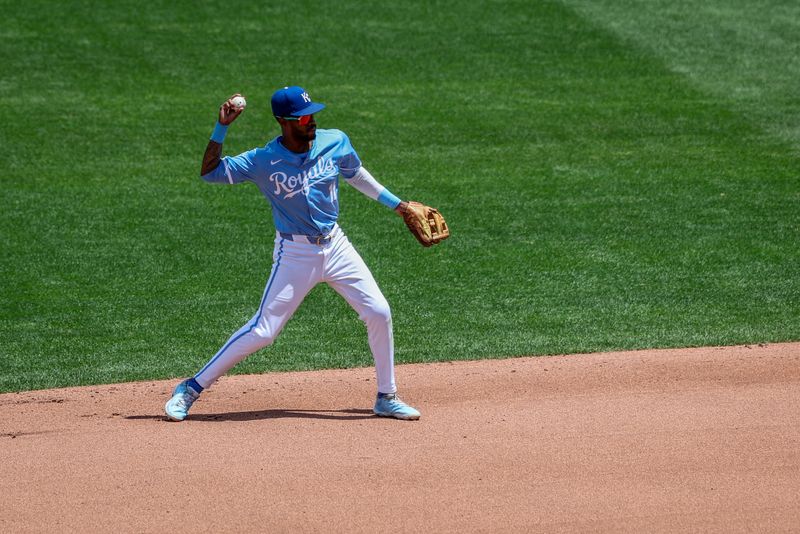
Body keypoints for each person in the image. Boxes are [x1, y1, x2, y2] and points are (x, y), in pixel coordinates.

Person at [165, 86, 421, 421]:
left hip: (337, 245)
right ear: (284, 122)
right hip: (295, 253)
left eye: (312, 114)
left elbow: (354, 174)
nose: (311, 121)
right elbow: (210, 172)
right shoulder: (262, 160)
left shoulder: (334, 141)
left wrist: (399, 206)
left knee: (379, 311)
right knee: (263, 331)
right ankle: (191, 388)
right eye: (303, 117)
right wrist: (221, 127)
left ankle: (386, 396)